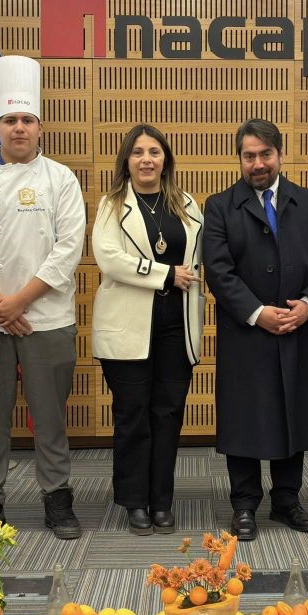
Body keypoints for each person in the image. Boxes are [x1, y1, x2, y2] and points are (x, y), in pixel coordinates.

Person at [0, 55, 86, 542]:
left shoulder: (61, 178)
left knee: (50, 415)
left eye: (27, 120)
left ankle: (57, 496)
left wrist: (19, 301)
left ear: (40, 127)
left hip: (46, 316)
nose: (19, 128)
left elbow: (68, 248)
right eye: (10, 120)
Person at [202, 118, 308, 541]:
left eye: (265, 154)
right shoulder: (220, 206)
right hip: (246, 331)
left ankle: (287, 501)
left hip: (296, 327)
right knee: (245, 416)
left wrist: (307, 306)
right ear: (239, 159)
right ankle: (244, 505)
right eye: (249, 155)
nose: (258, 163)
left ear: (280, 155)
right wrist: (258, 312)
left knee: (292, 411)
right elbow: (219, 273)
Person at [92, 124, 204, 535]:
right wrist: (165, 274)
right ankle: (134, 500)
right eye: (138, 152)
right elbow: (109, 259)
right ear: (126, 160)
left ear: (165, 160)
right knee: (133, 415)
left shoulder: (187, 204)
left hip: (177, 326)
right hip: (127, 329)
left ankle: (161, 501)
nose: (146, 160)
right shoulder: (111, 204)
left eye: (154, 152)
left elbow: (200, 261)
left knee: (168, 415)